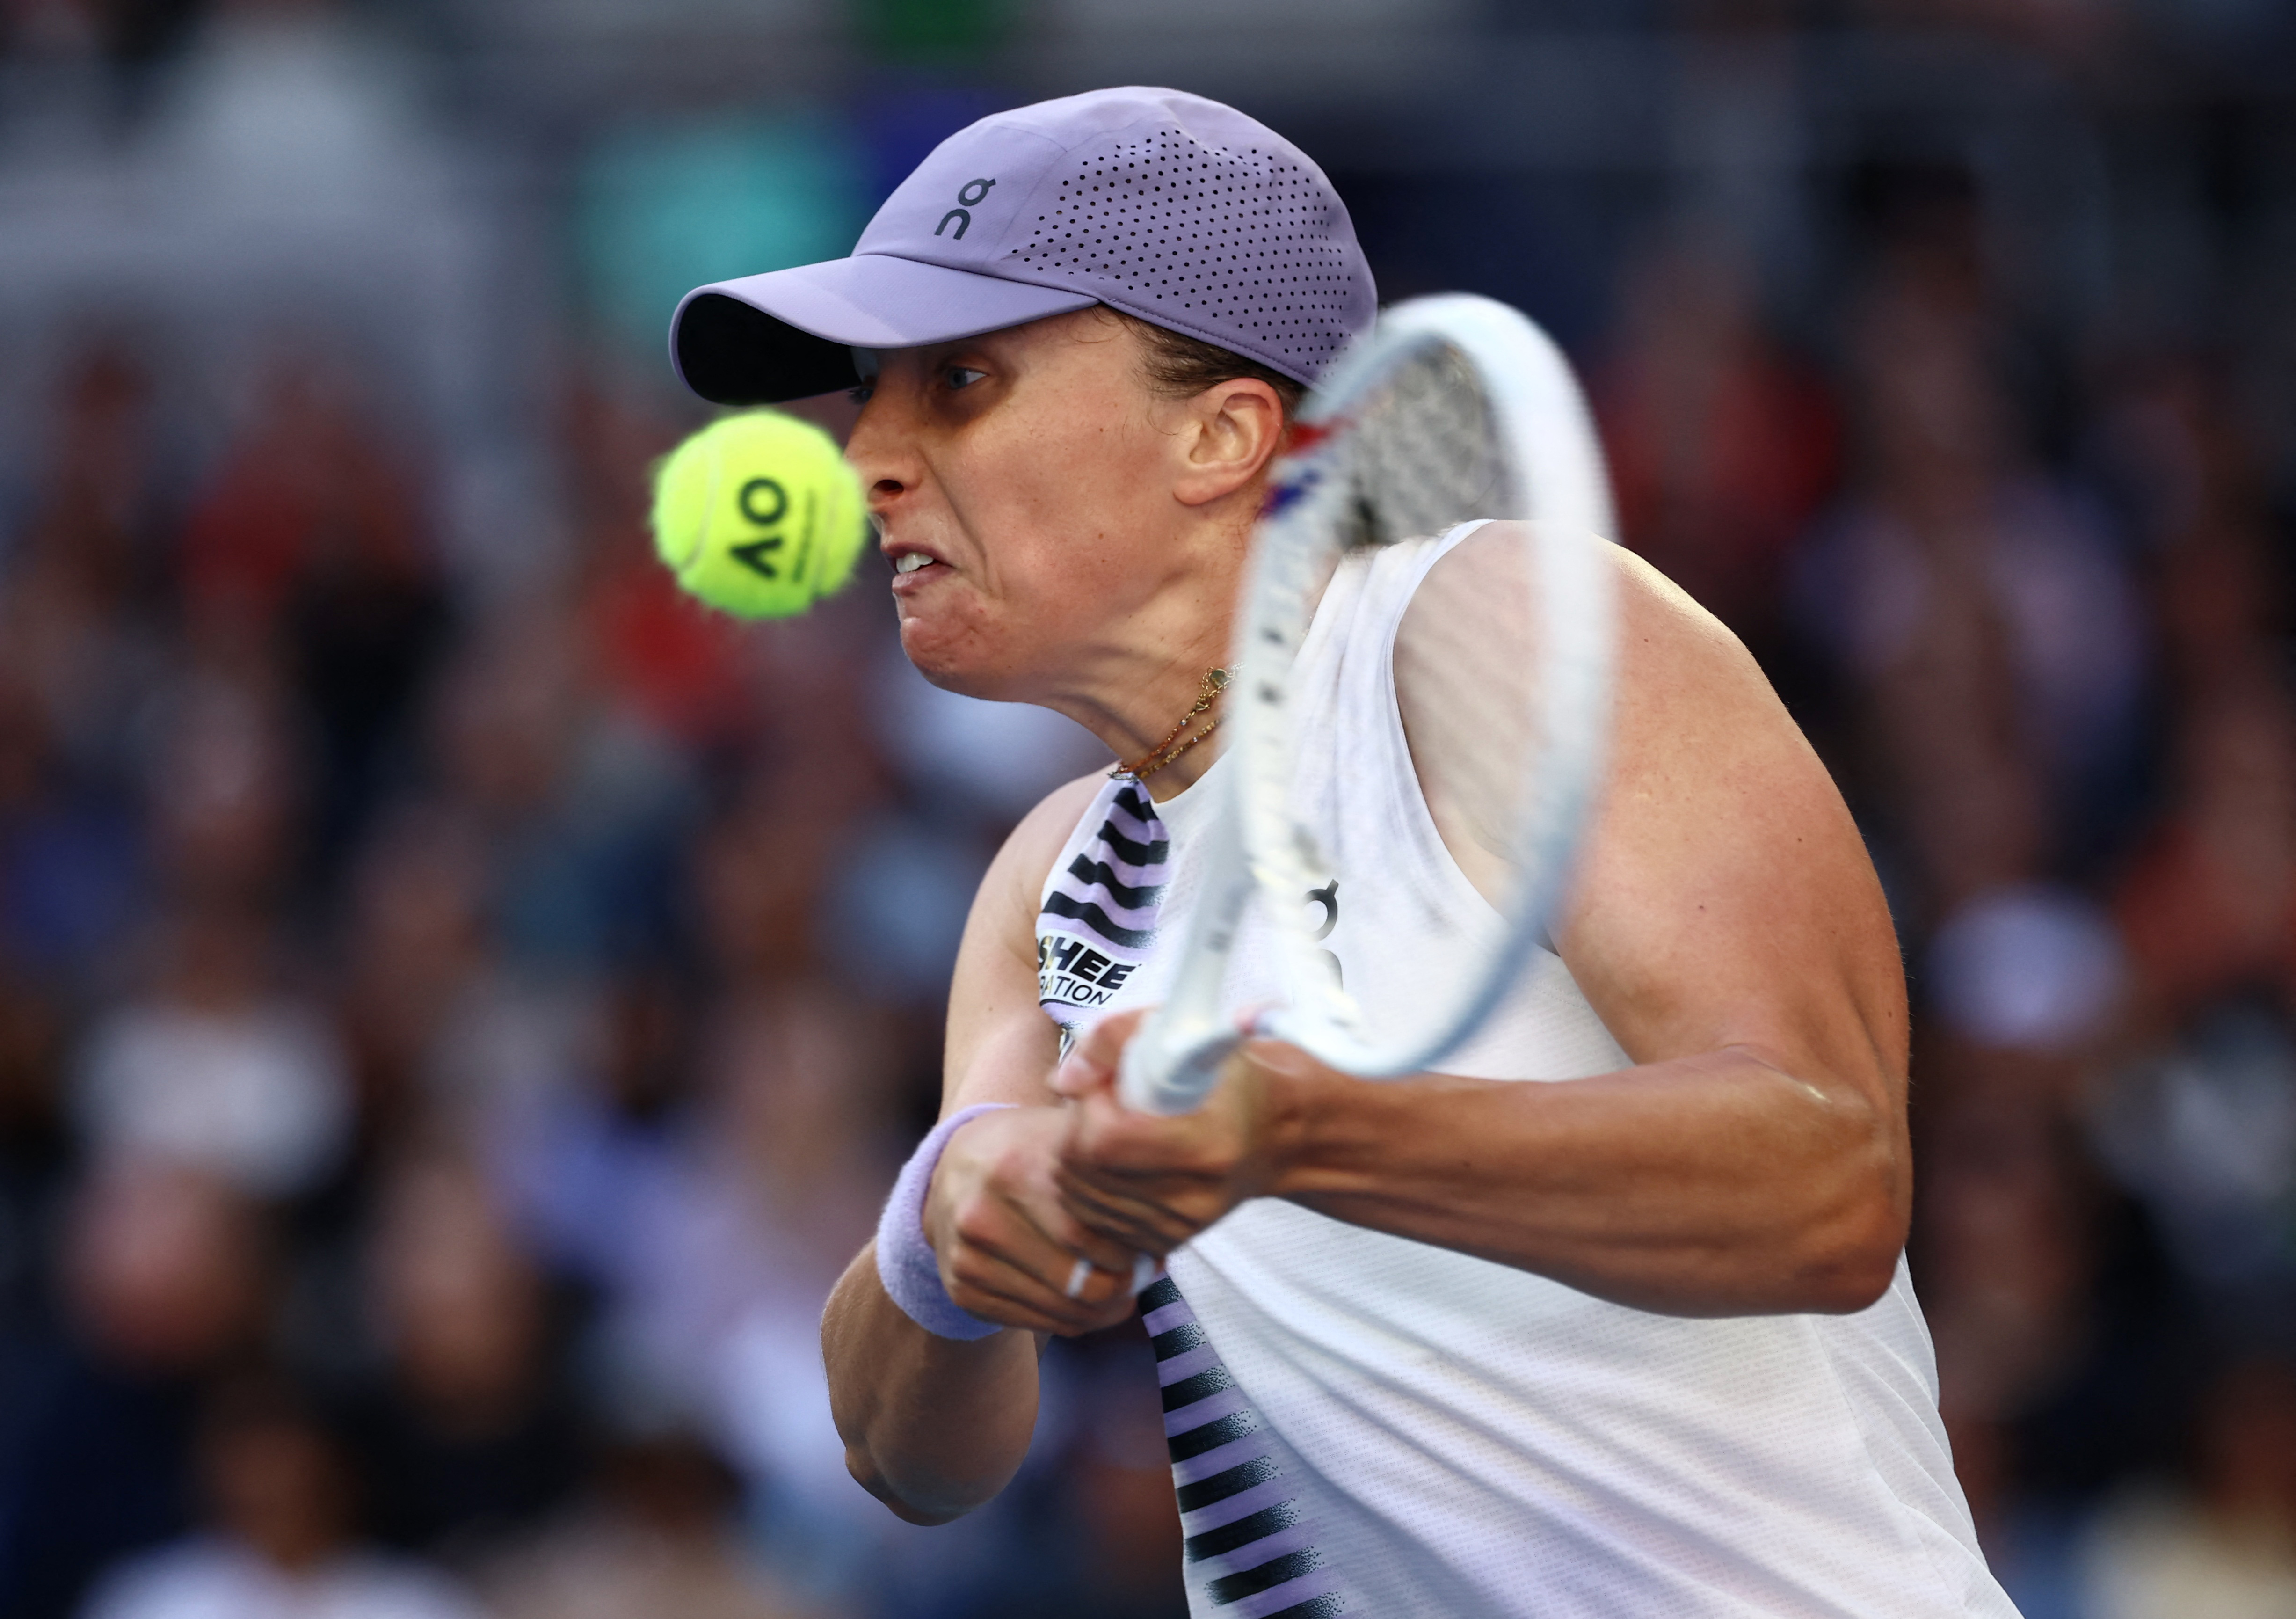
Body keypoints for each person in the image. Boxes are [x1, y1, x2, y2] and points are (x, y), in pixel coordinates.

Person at [671, 86, 2018, 1618]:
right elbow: (915, 1459)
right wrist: (947, 1233)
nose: (866, 460)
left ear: (1222, 432)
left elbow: (1829, 1179)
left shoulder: (1488, 629)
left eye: (960, 382)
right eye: (867, 393)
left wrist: (1300, 1132)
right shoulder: (1046, 882)